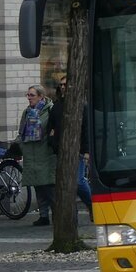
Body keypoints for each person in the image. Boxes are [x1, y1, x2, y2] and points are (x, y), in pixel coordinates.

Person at [16, 84, 56, 226]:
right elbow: (21, 131)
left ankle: (57, 214)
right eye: (28, 95)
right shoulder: (27, 112)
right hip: (31, 154)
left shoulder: (50, 110)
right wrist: (19, 146)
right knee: (38, 186)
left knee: (49, 186)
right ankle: (43, 215)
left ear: (41, 96)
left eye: (32, 95)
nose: (29, 98)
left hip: (45, 154)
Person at [48, 81, 92, 211]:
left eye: (65, 84)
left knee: (78, 181)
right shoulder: (56, 106)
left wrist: (86, 150)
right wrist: (53, 142)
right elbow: (51, 127)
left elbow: (86, 129)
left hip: (78, 149)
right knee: (67, 183)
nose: (62, 87)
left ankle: (91, 205)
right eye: (61, 85)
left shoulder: (81, 106)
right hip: (61, 150)